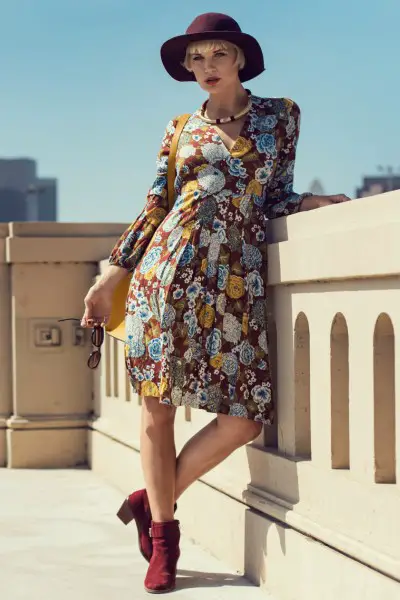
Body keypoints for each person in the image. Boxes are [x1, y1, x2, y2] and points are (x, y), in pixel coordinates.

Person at [81, 12, 351, 594]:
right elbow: (157, 205)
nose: (206, 67)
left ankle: (150, 498)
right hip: (165, 275)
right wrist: (110, 276)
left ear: (240, 60)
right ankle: (163, 540)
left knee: (244, 418)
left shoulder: (281, 116)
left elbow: (275, 192)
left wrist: (312, 203)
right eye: (195, 58)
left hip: (236, 282)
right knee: (157, 411)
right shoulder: (178, 128)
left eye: (217, 55)